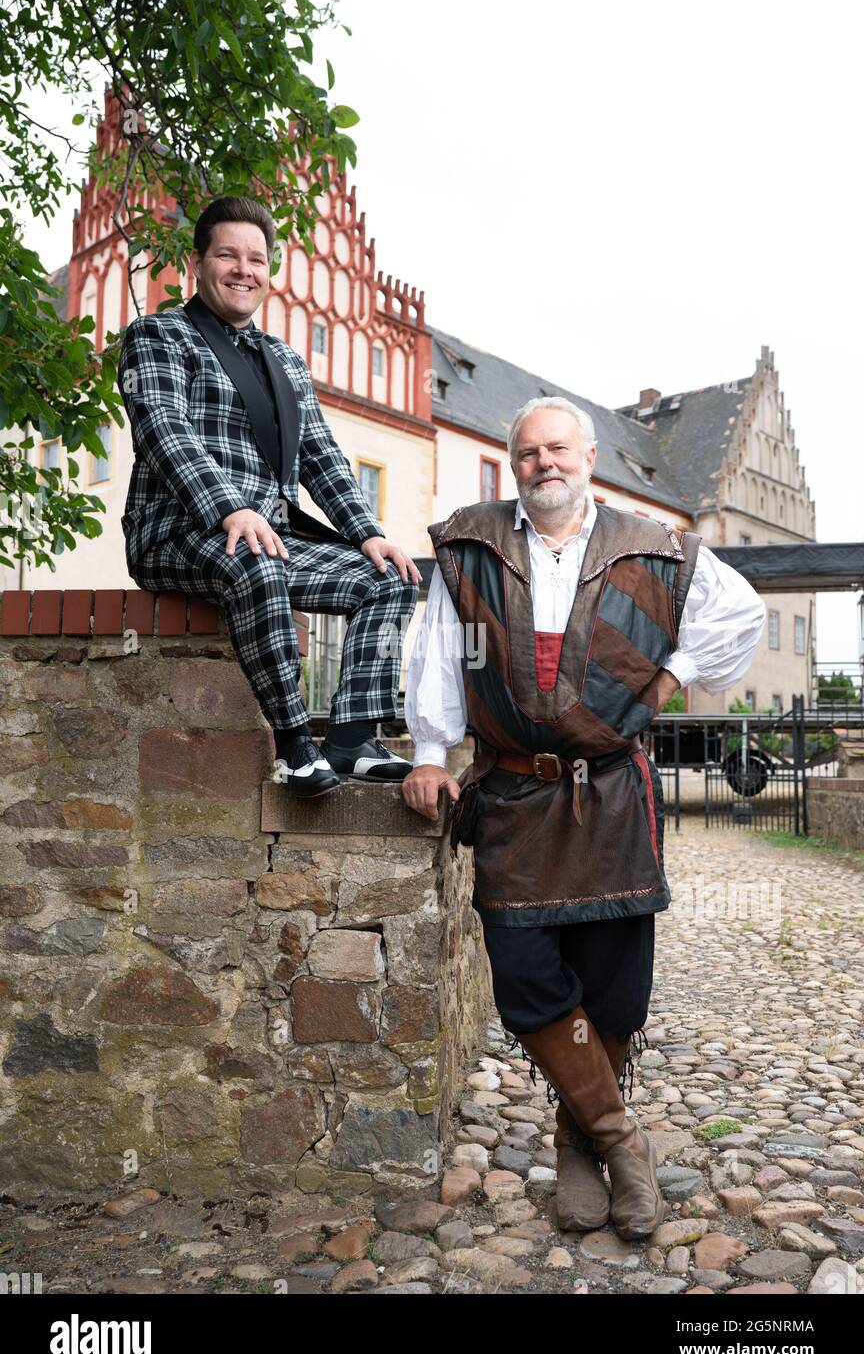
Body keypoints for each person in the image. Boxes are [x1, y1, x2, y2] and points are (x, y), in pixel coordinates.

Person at [402, 395, 766, 1238]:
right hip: (513, 795)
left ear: (591, 456)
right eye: (528, 453)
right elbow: (442, 653)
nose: (544, 465)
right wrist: (429, 752)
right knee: (526, 978)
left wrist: (671, 678)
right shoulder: (469, 547)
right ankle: (621, 1141)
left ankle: (576, 1145)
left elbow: (739, 614)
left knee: (615, 989)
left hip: (610, 793)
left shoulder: (657, 547)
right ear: (514, 463)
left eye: (558, 449)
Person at [119, 196, 420, 795]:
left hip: (269, 537)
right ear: (199, 262)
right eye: (227, 254)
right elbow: (162, 426)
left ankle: (352, 739)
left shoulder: (284, 359)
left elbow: (321, 456)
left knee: (391, 578)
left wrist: (368, 532)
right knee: (256, 564)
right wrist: (229, 506)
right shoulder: (158, 335)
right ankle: (293, 746)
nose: (243, 269)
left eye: (256, 258)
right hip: (177, 529)